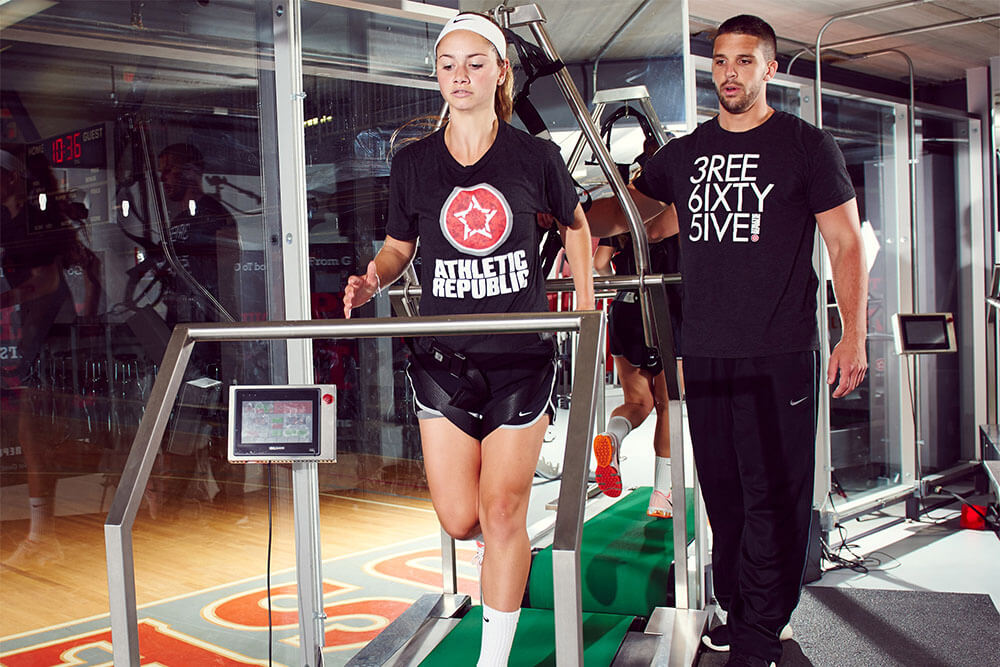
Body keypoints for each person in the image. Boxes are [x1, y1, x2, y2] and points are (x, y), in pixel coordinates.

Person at [589, 14, 868, 667]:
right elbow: (627, 208)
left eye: (745, 61)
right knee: (724, 493)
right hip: (707, 352)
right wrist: (551, 210)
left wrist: (853, 334)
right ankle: (745, 613)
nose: (730, 73)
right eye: (719, 61)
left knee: (775, 492)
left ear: (770, 69)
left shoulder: (805, 146)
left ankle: (757, 636)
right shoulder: (685, 153)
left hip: (780, 351)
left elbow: (846, 243)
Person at [343, 13, 593, 666]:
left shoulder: (533, 157)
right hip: (444, 360)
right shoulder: (413, 164)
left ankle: (494, 653)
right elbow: (401, 246)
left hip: (520, 358)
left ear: (500, 71)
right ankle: (501, 543)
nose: (460, 75)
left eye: (475, 63)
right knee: (461, 518)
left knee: (503, 508)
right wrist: (375, 275)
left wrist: (587, 310)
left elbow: (576, 225)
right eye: (448, 64)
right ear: (436, 74)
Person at [592, 226, 680, 518]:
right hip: (669, 310)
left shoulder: (622, 212)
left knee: (637, 402)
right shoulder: (673, 208)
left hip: (626, 309)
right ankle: (661, 494)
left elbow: (600, 262)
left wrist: (621, 286)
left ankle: (613, 439)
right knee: (668, 405)